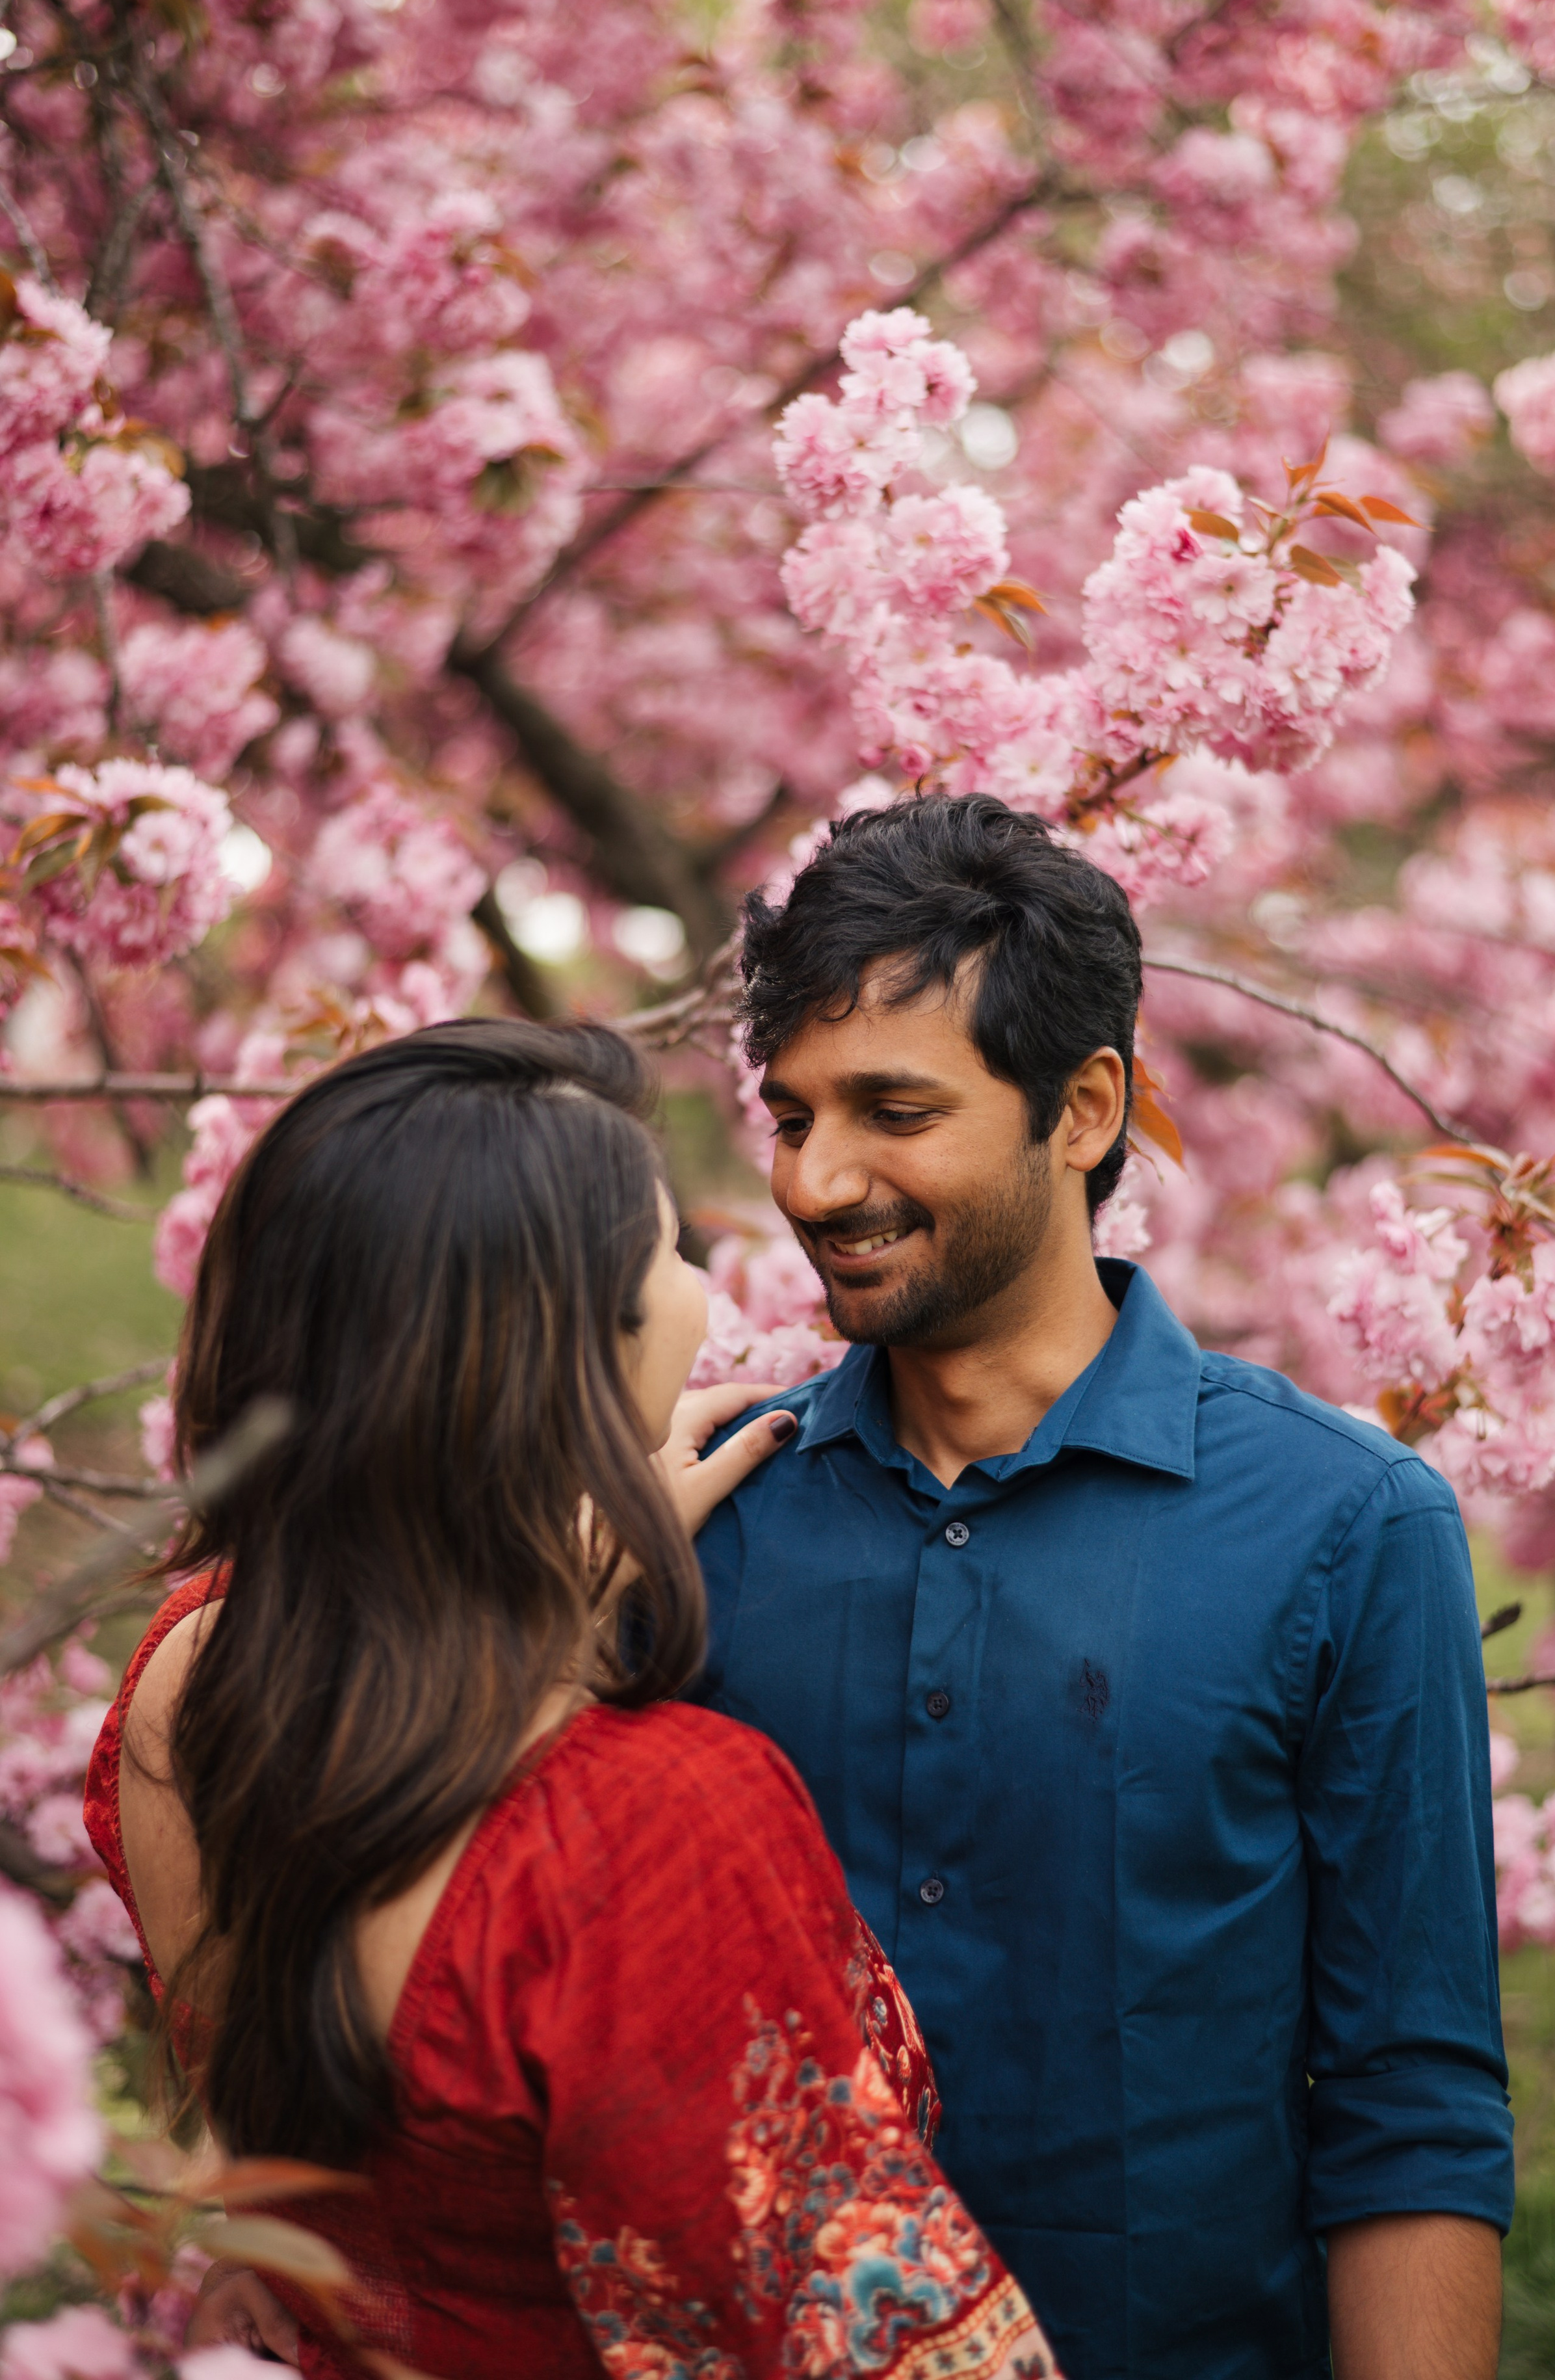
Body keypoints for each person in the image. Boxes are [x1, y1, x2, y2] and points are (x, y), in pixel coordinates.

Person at [83, 1019, 1062, 2380]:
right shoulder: (648, 1829)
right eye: (665, 1253)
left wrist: (547, 1588)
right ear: (562, 1356)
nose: (703, 1293)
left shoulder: (190, 1688)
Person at [692, 793, 1513, 2380]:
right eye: (792, 1118)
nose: (812, 1181)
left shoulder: (1345, 1527)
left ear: (1081, 1110)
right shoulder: (714, 1511)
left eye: (892, 1110)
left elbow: (1409, 2101)